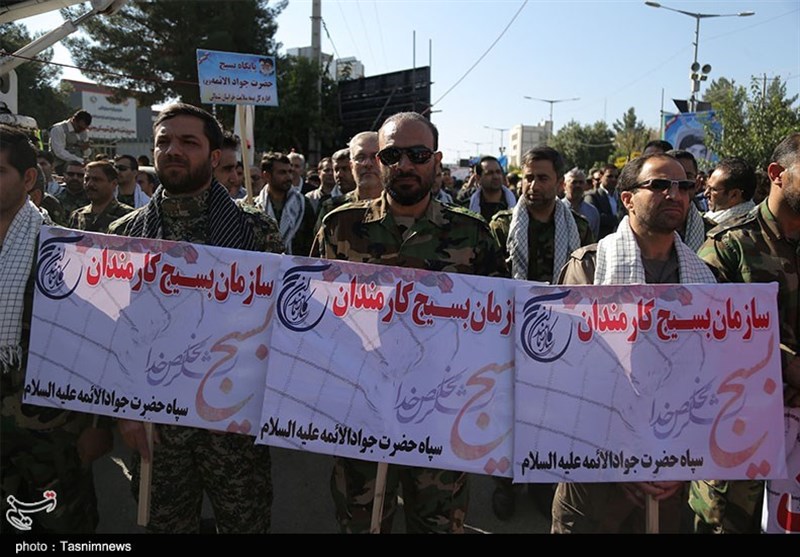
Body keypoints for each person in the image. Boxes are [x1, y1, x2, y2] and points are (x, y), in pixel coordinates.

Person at [312, 111, 506, 533]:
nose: (404, 165)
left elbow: (497, 329)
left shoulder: (472, 235)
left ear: (436, 160)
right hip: (361, 417)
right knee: (362, 524)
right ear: (378, 160)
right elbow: (312, 318)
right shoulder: (340, 227)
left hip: (440, 418)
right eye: (392, 155)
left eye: (417, 155)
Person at [109, 103, 282, 534]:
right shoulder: (124, 234)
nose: (173, 150)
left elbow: (277, 329)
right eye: (164, 142)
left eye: (188, 142)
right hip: (156, 426)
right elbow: (113, 333)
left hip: (234, 427)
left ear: (214, 155)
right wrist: (123, 411)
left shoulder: (255, 231)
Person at [553, 153, 717, 533]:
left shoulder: (705, 278)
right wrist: (622, 457)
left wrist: (681, 458)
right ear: (627, 199)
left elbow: (713, 379)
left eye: (683, 186)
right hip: (593, 471)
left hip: (669, 471)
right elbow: (569, 375)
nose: (674, 195)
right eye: (659, 185)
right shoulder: (590, 268)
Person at [1, 124, 112, 534]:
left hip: (52, 440)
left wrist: (98, 427)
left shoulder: (71, 253)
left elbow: (101, 346)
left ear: (29, 178)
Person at [691, 133, 800, 534]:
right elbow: (701, 337)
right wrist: (786, 364)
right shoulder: (729, 246)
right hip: (740, 435)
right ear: (777, 174)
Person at [489, 148, 593, 521]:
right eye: (528, 178)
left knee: (549, 414)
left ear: (559, 182)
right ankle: (505, 483)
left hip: (559, 337)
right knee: (506, 413)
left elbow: (586, 282)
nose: (532, 185)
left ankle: (539, 481)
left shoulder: (579, 227)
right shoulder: (502, 226)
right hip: (508, 334)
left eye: (542, 178)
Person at [256, 151, 316, 256]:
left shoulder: (302, 205)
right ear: (267, 176)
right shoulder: (255, 206)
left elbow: (312, 242)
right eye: (282, 173)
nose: (289, 177)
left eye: (289, 172)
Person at [69, 161, 133, 233]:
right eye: (87, 179)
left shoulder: (129, 216)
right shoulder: (77, 215)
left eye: (96, 180)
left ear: (113, 183)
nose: (89, 184)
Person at [704, 157, 757, 226]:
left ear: (734, 195)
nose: (706, 193)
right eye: (707, 187)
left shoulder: (745, 228)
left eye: (713, 189)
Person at [465, 155, 517, 222]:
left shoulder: (517, 204)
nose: (495, 176)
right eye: (489, 173)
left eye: (498, 172)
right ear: (478, 178)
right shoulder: (468, 207)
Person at [560, 167, 600, 239]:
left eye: (581, 182)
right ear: (564, 185)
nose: (578, 185)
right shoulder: (557, 208)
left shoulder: (592, 212)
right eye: (574, 182)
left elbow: (594, 237)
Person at [584, 163, 622, 239]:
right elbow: (595, 217)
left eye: (616, 177)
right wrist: (618, 219)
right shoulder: (592, 196)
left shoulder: (620, 196)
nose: (613, 179)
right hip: (600, 240)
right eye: (609, 176)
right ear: (601, 177)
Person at [49, 109, 92, 174]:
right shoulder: (58, 129)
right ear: (73, 120)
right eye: (80, 127)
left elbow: (87, 153)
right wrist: (80, 160)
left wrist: (85, 149)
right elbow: (59, 152)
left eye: (84, 129)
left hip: (79, 166)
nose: (81, 131)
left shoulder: (83, 131)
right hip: (60, 166)